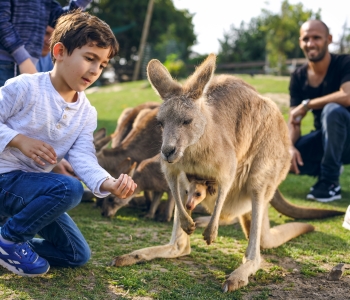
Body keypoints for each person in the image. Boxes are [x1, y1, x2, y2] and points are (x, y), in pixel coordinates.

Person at [0, 10, 137, 277]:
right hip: (4, 181)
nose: (95, 70)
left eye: (103, 64)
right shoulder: (24, 87)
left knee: (76, 254)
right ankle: (8, 240)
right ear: (60, 51)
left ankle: (8, 240)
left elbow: (83, 157)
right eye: (90, 58)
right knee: (69, 189)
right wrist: (18, 140)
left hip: (33, 194)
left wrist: (108, 183)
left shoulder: (86, 113)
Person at [288, 19, 350, 202]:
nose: (311, 43)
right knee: (282, 158)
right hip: (327, 139)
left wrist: (308, 104)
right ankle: (331, 164)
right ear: (300, 42)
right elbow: (294, 119)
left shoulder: (344, 63)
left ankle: (330, 182)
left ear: (329, 39)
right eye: (306, 38)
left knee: (333, 110)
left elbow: (347, 96)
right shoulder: (298, 77)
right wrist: (288, 147)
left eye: (317, 37)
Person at [0, 0, 92, 87]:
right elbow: (2, 23)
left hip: (25, 65)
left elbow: (62, 20)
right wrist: (23, 60)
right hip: (6, 64)